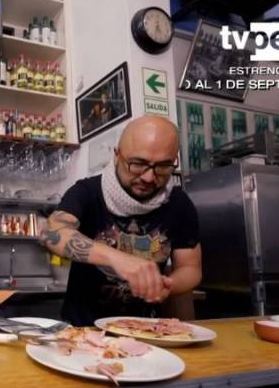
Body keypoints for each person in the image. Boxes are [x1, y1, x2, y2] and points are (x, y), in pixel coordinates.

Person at [40, 115, 201, 326]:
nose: (149, 177)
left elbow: (191, 269)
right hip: (84, 331)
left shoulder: (179, 203)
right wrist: (117, 259)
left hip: (146, 330)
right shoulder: (88, 192)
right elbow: (51, 233)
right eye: (137, 164)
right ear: (117, 155)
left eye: (163, 166)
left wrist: (167, 285)